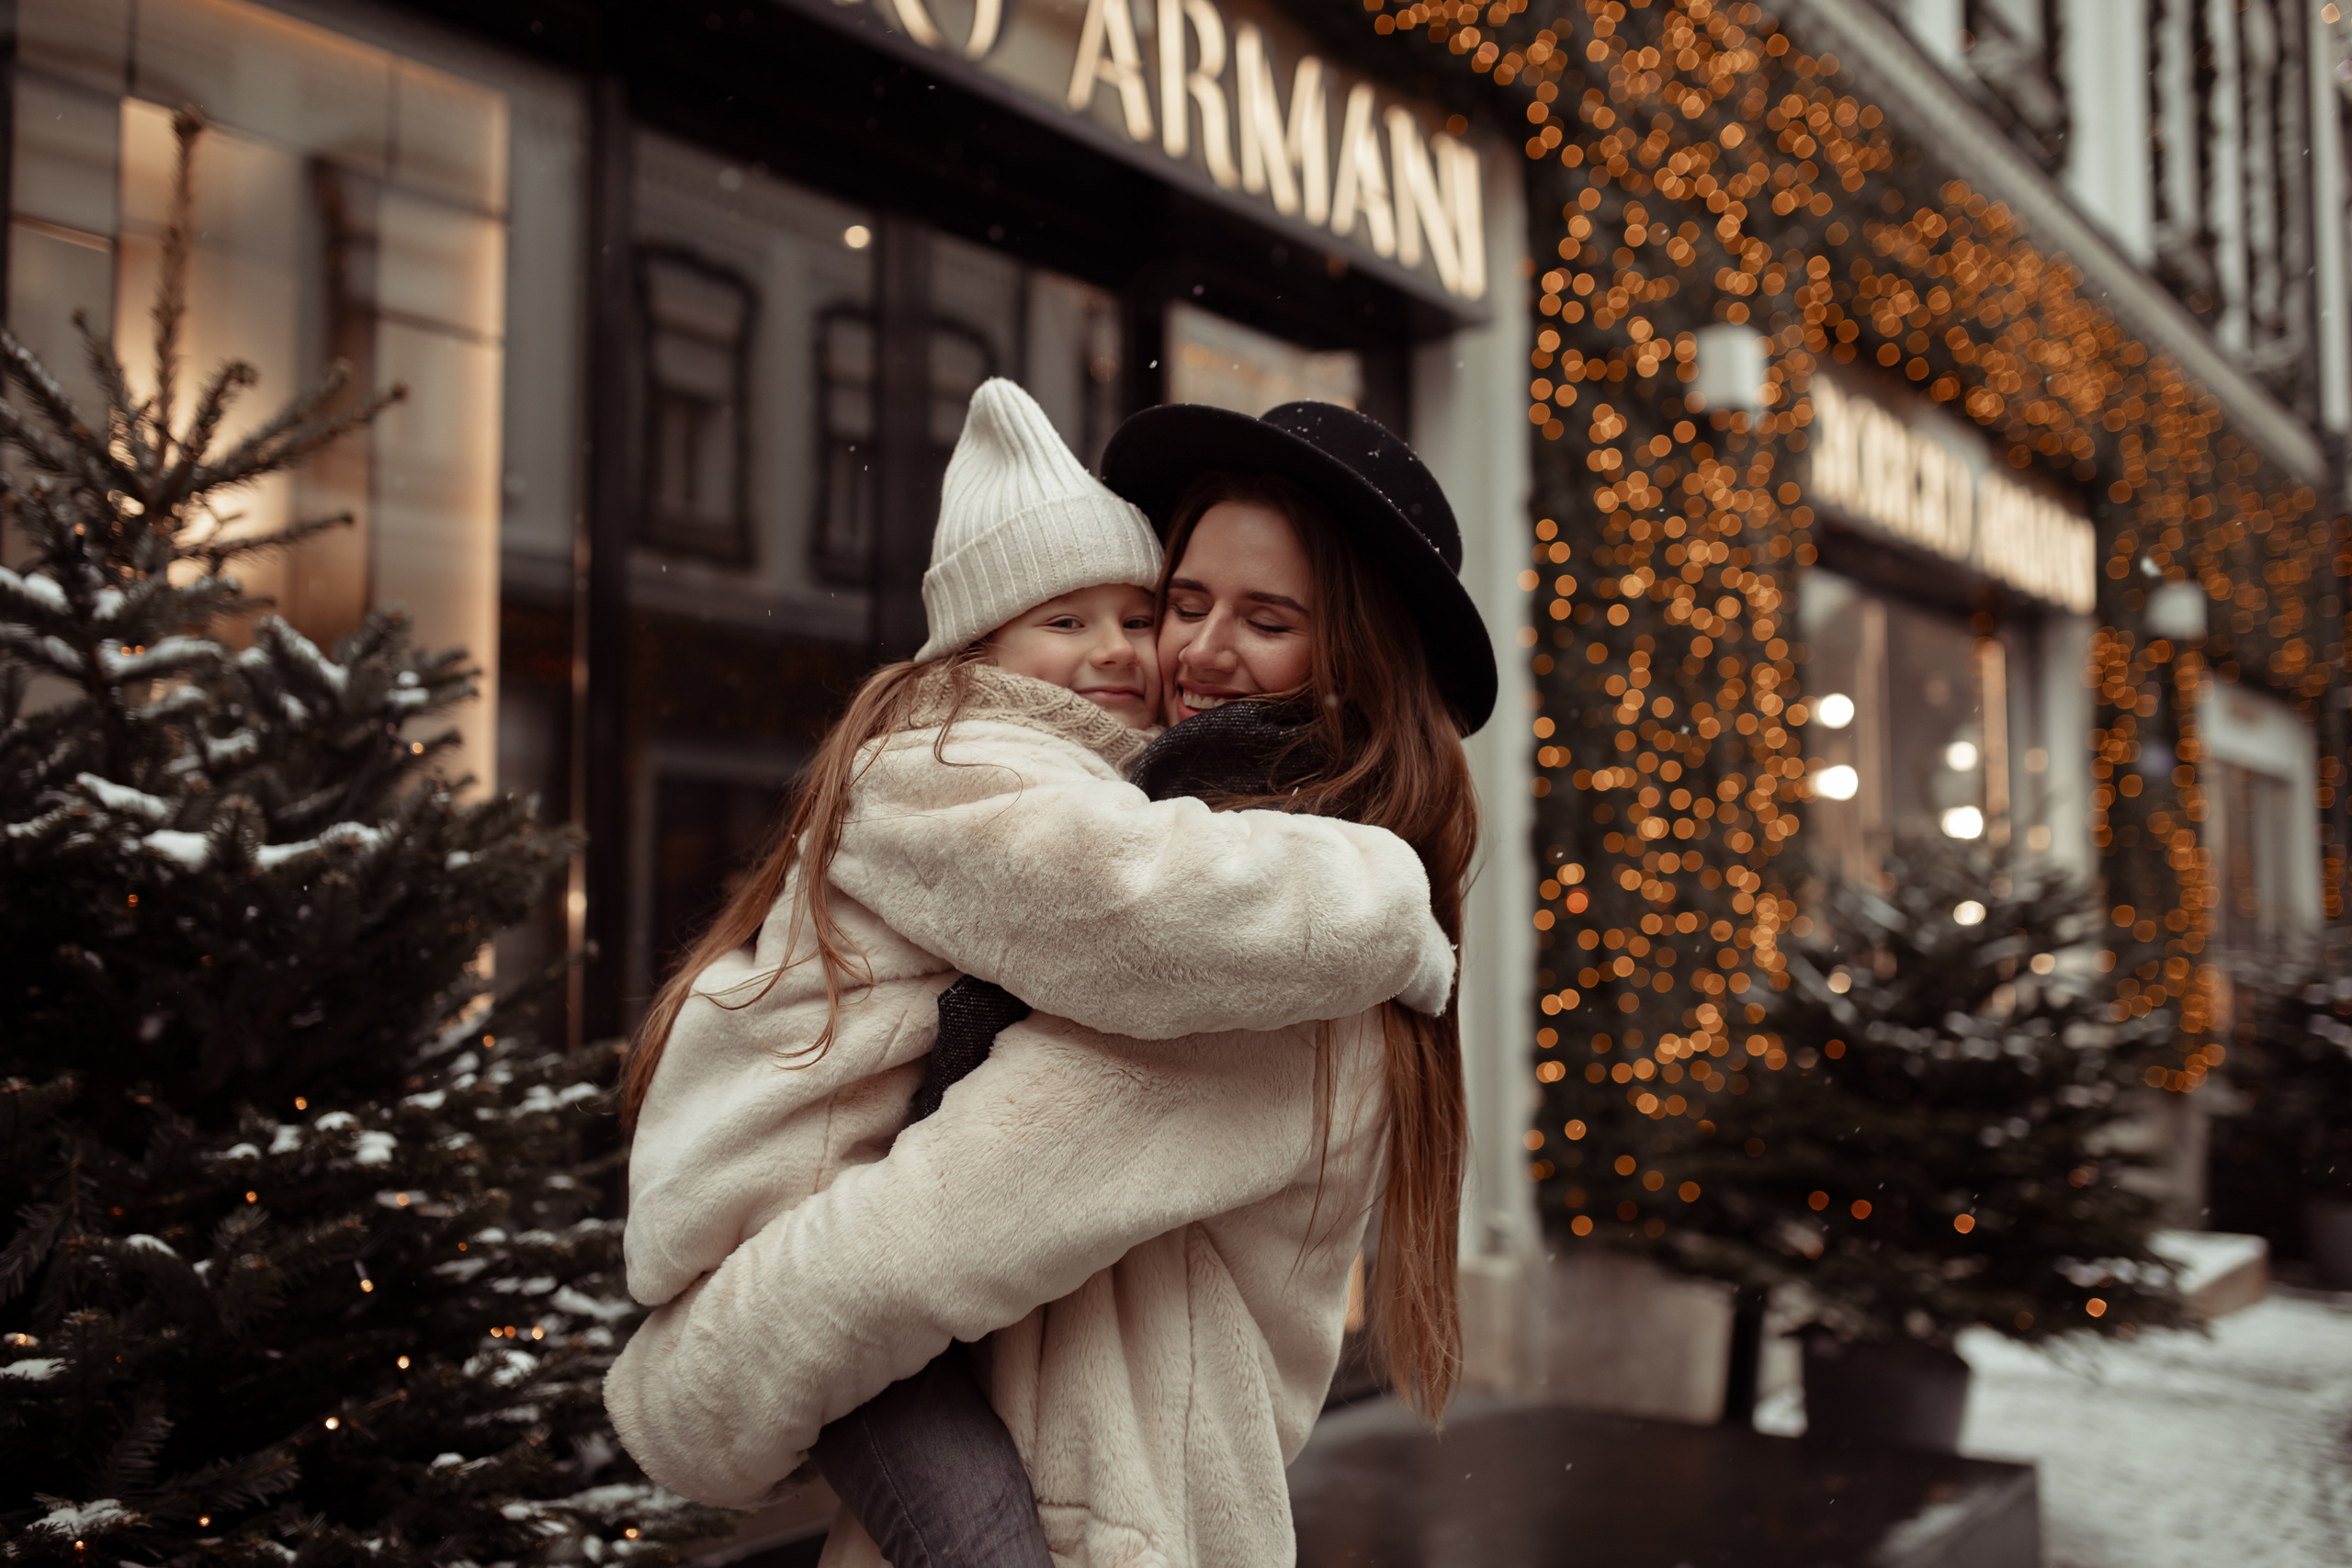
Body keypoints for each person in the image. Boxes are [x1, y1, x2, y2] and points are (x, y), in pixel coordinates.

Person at [605, 398, 1494, 1567]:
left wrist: (692, 1385)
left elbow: (923, 1244)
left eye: (1266, 619)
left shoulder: (1283, 950)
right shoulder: (1169, 846)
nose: (1190, 651)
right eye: (1186, 601)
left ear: (1357, 663)